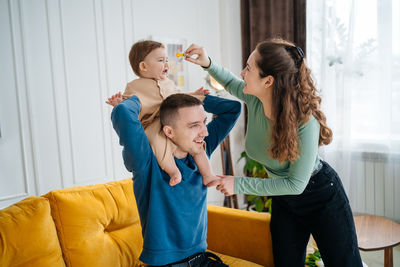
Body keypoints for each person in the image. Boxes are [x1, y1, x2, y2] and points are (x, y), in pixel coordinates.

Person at [184, 39, 363, 267]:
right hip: (284, 200)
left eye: (249, 68)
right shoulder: (255, 99)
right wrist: (207, 63)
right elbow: (230, 81)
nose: (242, 72)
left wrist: (238, 184)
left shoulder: (305, 123)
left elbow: (296, 184)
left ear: (268, 81)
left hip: (320, 195)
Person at [111, 92, 240, 266]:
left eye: (204, 122)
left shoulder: (200, 153)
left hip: (202, 260)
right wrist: (152, 99)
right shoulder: (146, 162)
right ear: (169, 131)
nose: (205, 132)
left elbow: (233, 109)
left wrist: (194, 97)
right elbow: (122, 112)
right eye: (194, 125)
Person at [107, 40, 217, 187]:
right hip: (152, 123)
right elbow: (128, 106)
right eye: (161, 60)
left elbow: (178, 97)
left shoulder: (169, 83)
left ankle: (208, 175)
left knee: (197, 143)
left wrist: (193, 95)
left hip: (172, 121)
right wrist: (118, 103)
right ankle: (173, 171)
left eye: (166, 60)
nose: (166, 64)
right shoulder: (134, 87)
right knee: (156, 140)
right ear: (143, 66)